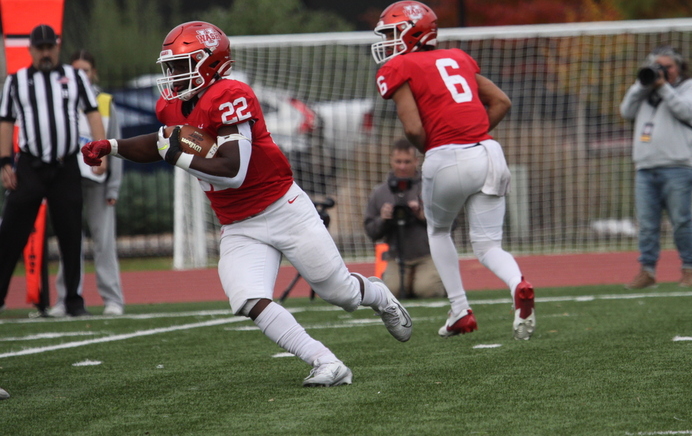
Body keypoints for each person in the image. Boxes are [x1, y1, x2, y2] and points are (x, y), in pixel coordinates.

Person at [81, 21, 411, 387]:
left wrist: (178, 155)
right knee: (246, 298)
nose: (173, 74)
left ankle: (378, 296)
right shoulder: (173, 105)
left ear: (210, 63)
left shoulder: (229, 95)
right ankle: (325, 361)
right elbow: (159, 141)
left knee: (341, 293)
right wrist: (112, 146)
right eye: (171, 66)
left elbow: (233, 170)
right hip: (238, 223)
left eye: (181, 65)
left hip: (283, 208)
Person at [370, 0, 535, 340]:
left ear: (412, 33)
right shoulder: (458, 57)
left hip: (446, 156)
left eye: (391, 33)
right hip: (489, 153)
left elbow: (413, 129)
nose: (386, 41)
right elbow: (501, 101)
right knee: (488, 246)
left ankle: (460, 309)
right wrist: (471, 134)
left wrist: (439, 147)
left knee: (439, 231)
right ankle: (518, 283)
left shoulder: (399, 66)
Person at [0, 25, 107, 317]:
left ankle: (73, 300)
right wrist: (5, 162)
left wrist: (101, 151)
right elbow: (6, 121)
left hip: (65, 165)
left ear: (57, 48)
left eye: (50, 47)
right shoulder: (16, 81)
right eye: (40, 48)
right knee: (11, 231)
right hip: (30, 165)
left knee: (70, 233)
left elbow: (93, 113)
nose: (45, 53)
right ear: (31, 50)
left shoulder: (75, 77)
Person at [619, 45, 692, 289]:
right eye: (658, 66)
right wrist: (641, 84)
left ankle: (689, 270)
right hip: (646, 167)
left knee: (681, 221)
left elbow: (687, 111)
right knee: (647, 224)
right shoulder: (644, 90)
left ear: (679, 67)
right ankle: (647, 271)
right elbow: (626, 111)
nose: (663, 71)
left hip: (679, 166)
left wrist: (663, 86)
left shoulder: (690, 87)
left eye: (668, 67)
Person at [49, 50, 125, 317]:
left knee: (104, 243)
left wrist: (113, 186)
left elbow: (116, 145)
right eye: (76, 70)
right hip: (67, 180)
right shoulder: (60, 99)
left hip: (98, 182)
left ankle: (112, 299)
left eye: (86, 70)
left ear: (94, 73)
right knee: (69, 242)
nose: (81, 75)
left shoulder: (104, 102)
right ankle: (65, 299)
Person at [364, 138, 445, 299]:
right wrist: (383, 219)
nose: (402, 166)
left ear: (416, 161)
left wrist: (423, 215)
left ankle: (436, 283)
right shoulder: (380, 192)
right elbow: (371, 231)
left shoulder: (430, 187)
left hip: (428, 254)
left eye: (407, 162)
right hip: (396, 257)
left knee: (428, 290)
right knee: (391, 293)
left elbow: (451, 223)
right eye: (398, 161)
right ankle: (410, 283)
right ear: (391, 161)